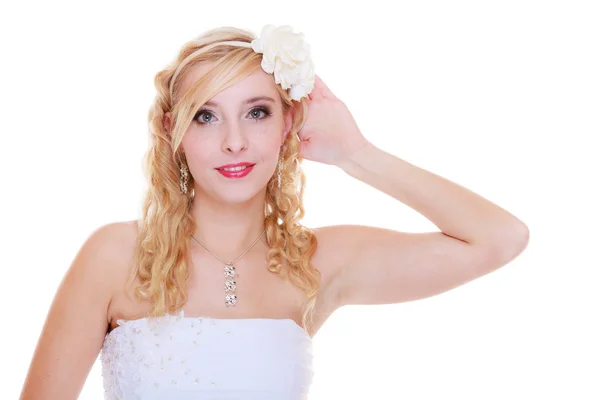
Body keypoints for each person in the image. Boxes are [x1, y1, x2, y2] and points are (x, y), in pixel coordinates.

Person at [19, 24, 529, 400]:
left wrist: (356, 153)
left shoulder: (319, 261)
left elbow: (499, 239)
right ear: (175, 131)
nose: (235, 142)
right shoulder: (115, 254)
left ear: (288, 122)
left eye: (257, 113)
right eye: (206, 116)